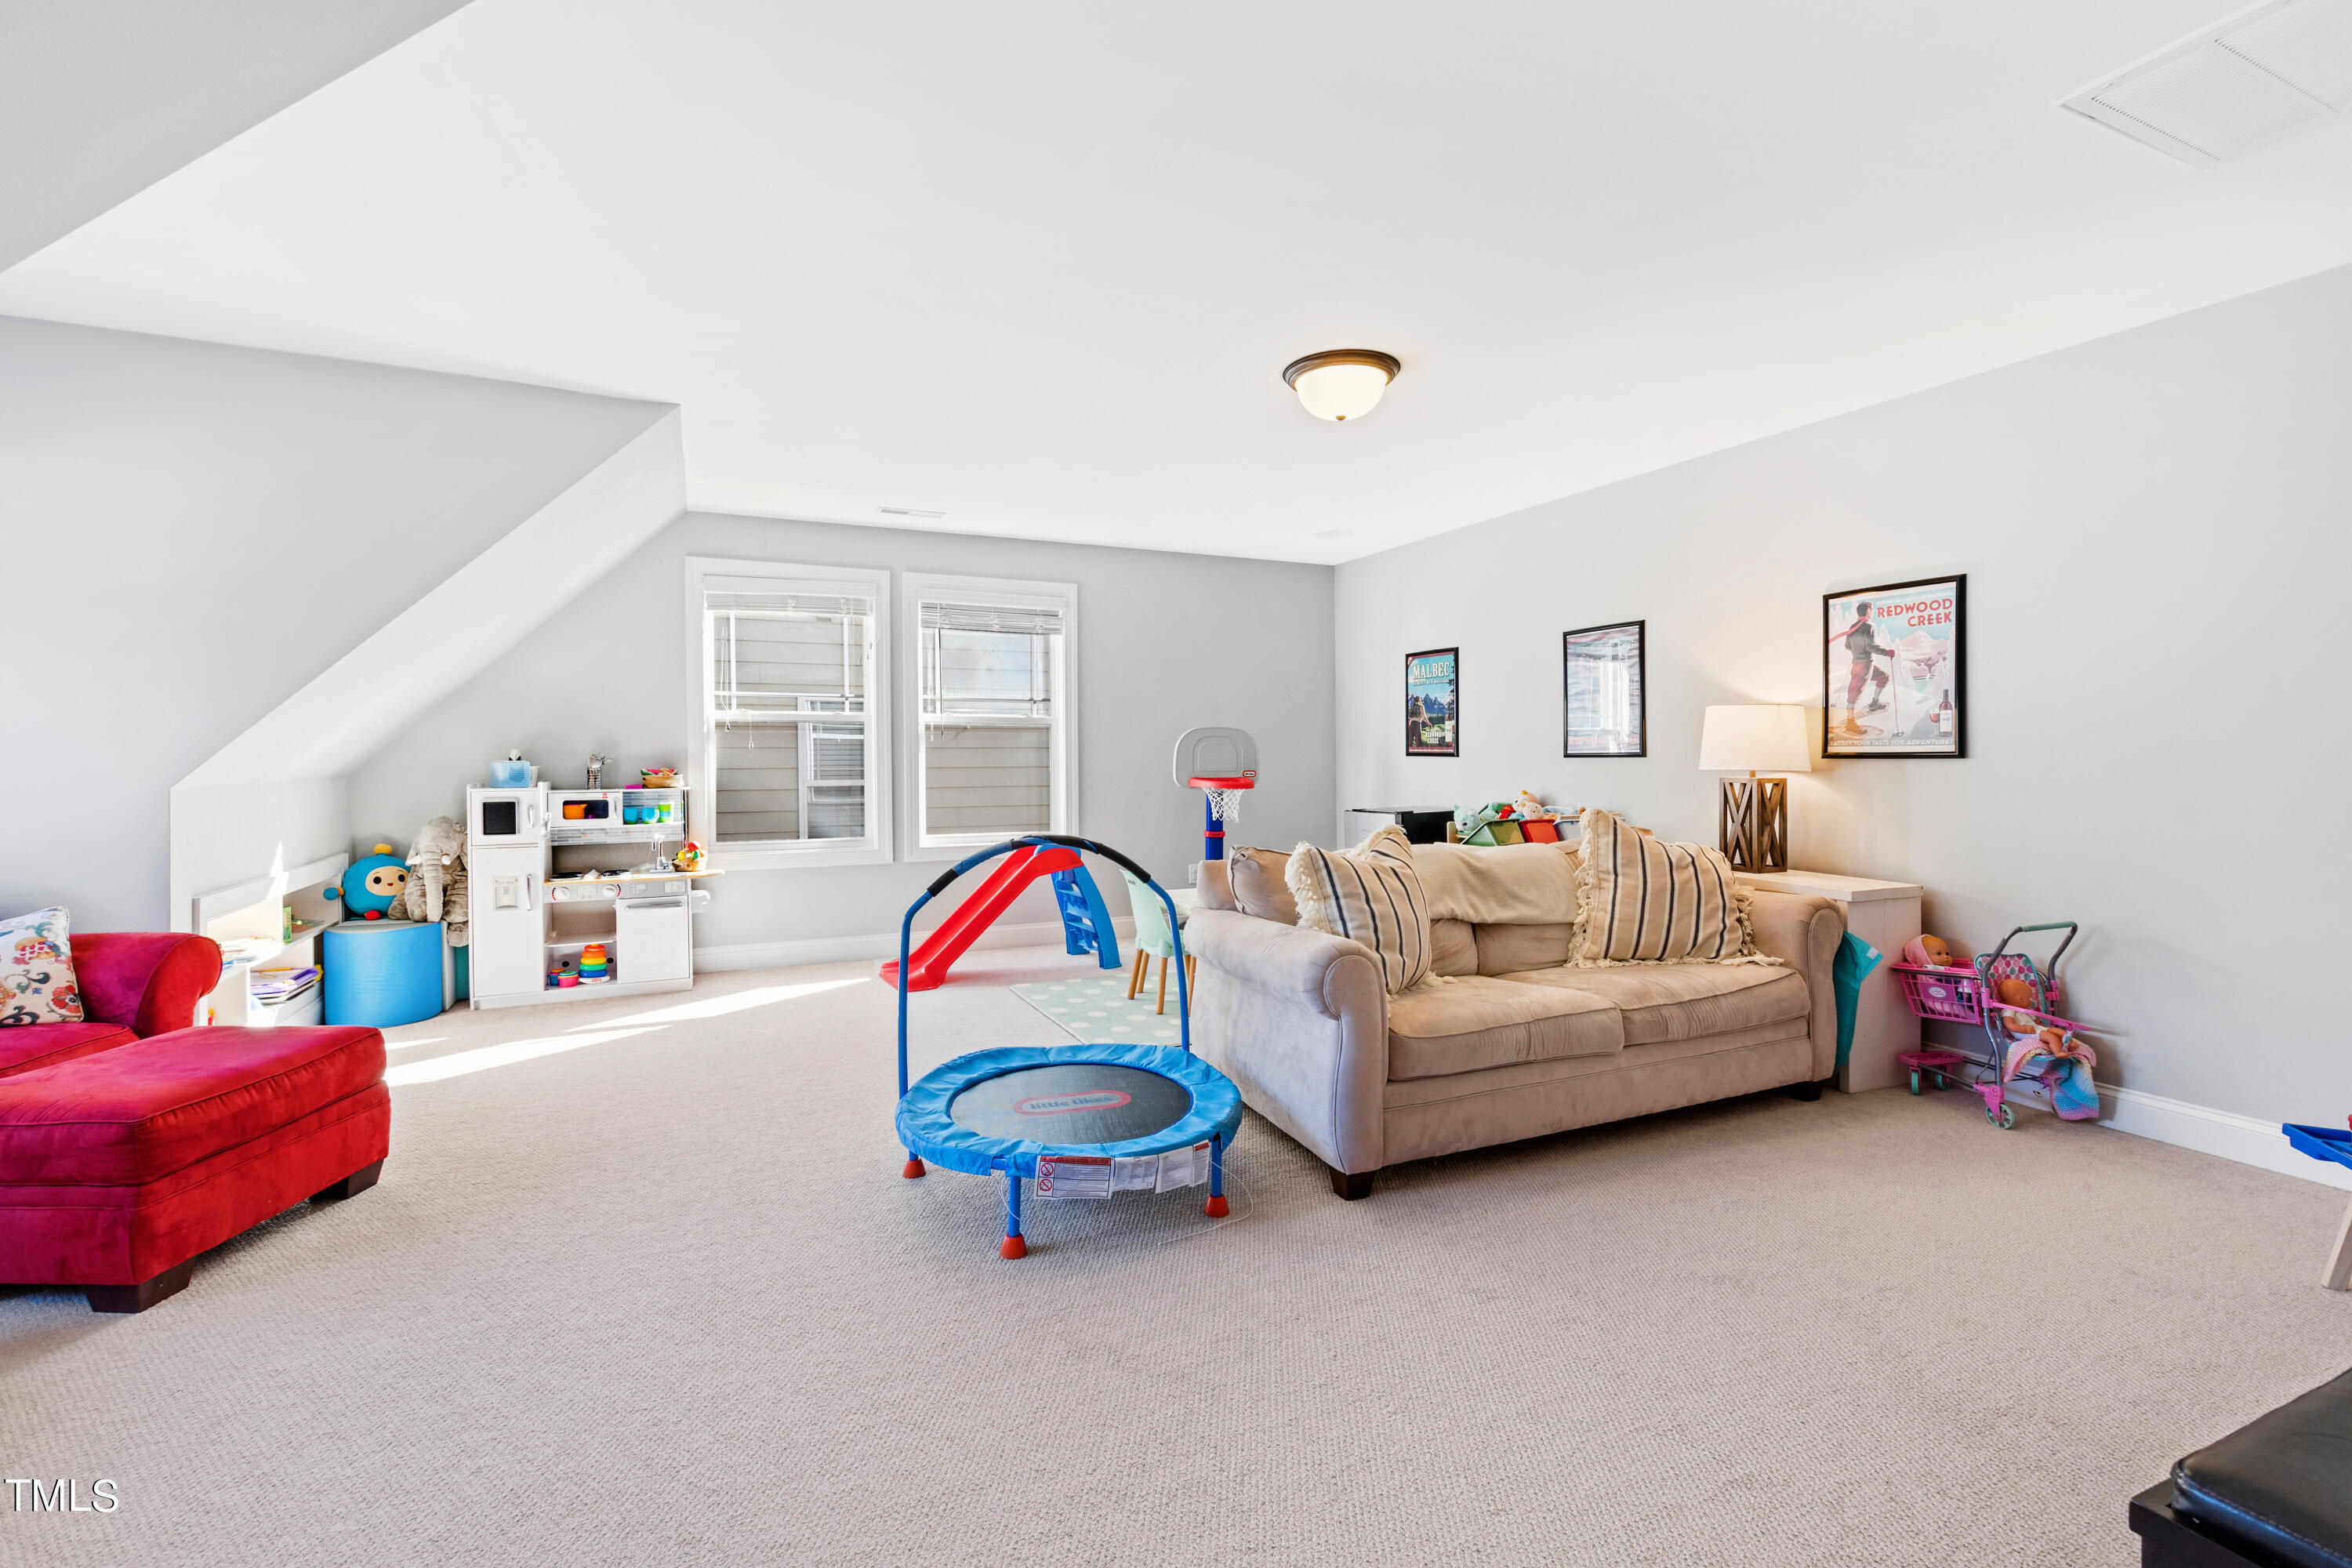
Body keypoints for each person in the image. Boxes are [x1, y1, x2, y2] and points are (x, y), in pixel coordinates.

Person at [1830, 601, 1893, 723]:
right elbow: (1870, 646)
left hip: (1859, 663)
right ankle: (1850, 723)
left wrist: (1857, 651)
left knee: (1883, 677)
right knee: (1854, 694)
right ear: (1868, 611)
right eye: (1872, 609)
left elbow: (1847, 646)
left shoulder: (1853, 626)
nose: (1873, 612)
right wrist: (1886, 652)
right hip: (1865, 665)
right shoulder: (1870, 626)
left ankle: (1874, 703)